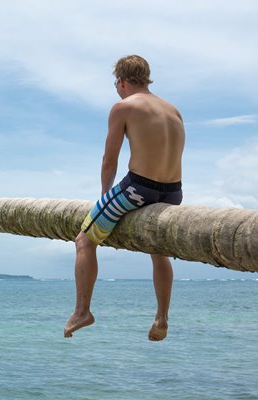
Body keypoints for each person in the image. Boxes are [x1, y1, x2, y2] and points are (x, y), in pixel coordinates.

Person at [64, 55, 185, 341]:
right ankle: (161, 318)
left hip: (138, 189)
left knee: (84, 240)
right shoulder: (173, 110)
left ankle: (83, 310)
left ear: (121, 81)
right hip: (174, 191)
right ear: (146, 78)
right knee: (159, 251)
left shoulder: (123, 107)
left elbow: (110, 159)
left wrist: (104, 197)